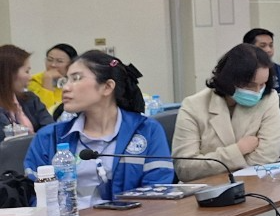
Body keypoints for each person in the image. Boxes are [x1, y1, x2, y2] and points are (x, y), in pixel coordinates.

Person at [24, 50, 173, 205]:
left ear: (107, 87)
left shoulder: (146, 131)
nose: (66, 88)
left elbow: (157, 194)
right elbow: (36, 200)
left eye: (76, 78)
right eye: (66, 80)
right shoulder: (49, 137)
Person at [172, 44, 280, 181]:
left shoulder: (269, 98)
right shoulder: (193, 106)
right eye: (250, 85)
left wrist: (216, 163)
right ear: (229, 79)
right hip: (205, 190)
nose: (257, 92)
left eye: (262, 84)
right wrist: (238, 150)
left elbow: (267, 156)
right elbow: (185, 168)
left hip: (255, 185)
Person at [0, 45, 53, 140]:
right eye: (27, 71)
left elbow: (51, 130)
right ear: (9, 74)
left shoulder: (30, 99)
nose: (30, 77)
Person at [28, 43, 77, 113]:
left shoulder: (76, 82)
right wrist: (47, 83)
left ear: (72, 64)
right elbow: (45, 113)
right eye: (50, 60)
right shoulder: (33, 81)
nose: (53, 65)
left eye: (60, 61)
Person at [244, 27, 280, 93]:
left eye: (271, 45)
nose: (268, 50)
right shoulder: (237, 70)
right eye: (262, 46)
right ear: (248, 48)